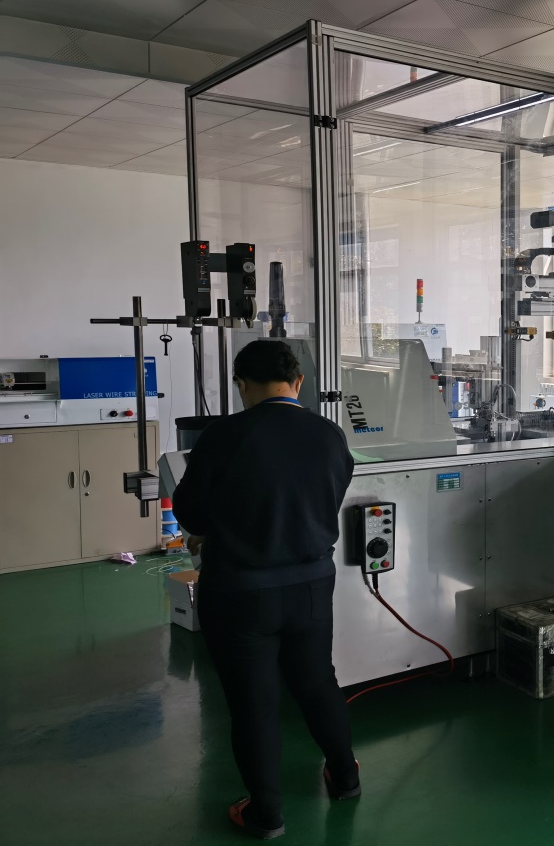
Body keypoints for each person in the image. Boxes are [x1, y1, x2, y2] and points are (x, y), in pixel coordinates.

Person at [173, 339, 358, 840]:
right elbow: (330, 492)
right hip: (312, 584)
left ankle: (266, 814)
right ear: (297, 382)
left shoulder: (224, 435)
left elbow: (189, 510)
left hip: (240, 591)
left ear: (242, 385)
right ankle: (345, 778)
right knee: (318, 682)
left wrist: (213, 529)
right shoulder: (329, 433)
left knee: (253, 701)